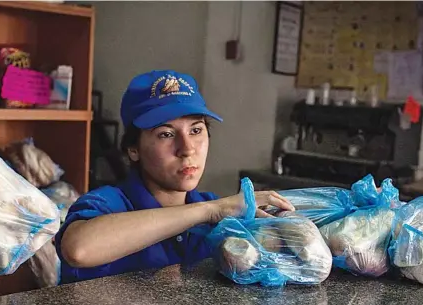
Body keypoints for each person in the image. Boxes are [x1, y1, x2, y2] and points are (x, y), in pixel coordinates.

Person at [55, 70, 294, 284]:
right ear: (133, 149)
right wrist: (207, 210)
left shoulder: (213, 208)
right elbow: (79, 249)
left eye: (196, 130)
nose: (187, 148)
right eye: (166, 134)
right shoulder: (108, 204)